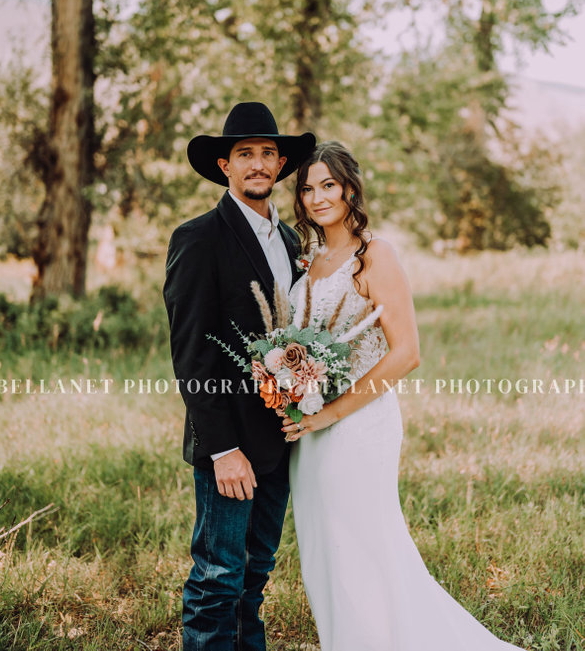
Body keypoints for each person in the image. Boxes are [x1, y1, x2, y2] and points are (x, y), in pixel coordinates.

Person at [281, 141, 524, 651]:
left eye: (328, 185)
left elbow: (407, 353)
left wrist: (332, 412)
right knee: (327, 551)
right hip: (310, 429)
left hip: (358, 427)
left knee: (366, 551)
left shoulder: (375, 254)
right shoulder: (311, 260)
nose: (317, 197)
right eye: (307, 188)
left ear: (350, 188)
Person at [163, 102, 315, 651]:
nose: (258, 163)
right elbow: (192, 355)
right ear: (225, 166)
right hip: (230, 448)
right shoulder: (198, 239)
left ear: (280, 166)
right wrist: (223, 448)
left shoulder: (296, 244)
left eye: (268, 153)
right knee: (217, 579)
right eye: (245, 154)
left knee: (255, 579)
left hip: (280, 438)